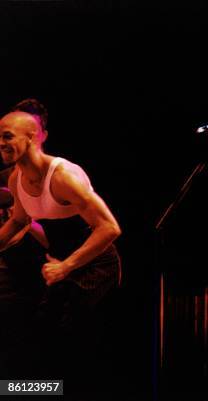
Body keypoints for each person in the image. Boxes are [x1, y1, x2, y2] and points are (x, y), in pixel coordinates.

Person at [0, 99, 121, 384]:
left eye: (7, 136)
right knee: (42, 339)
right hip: (60, 267)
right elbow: (19, 220)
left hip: (95, 265)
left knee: (68, 342)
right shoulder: (18, 179)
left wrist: (66, 267)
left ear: (32, 137)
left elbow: (110, 228)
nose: (1, 143)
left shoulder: (63, 176)